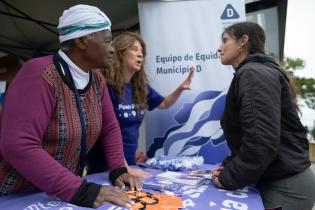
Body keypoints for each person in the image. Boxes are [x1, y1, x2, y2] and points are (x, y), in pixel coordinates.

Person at [0, 5, 141, 209]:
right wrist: (78, 190)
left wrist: (118, 170)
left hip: (57, 194)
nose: (112, 49)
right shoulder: (39, 74)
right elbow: (18, 145)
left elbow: (109, 128)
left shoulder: (97, 81)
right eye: (108, 41)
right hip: (16, 194)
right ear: (82, 40)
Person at [211, 21, 315, 210]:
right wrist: (230, 165)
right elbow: (251, 137)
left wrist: (229, 177)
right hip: (280, 182)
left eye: (225, 40)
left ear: (243, 41)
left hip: (285, 189)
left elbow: (261, 142)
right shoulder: (255, 72)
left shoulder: (253, 74)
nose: (219, 47)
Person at [87, 32, 195, 177]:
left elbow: (163, 103)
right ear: (121, 52)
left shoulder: (139, 87)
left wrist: (180, 89)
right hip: (106, 168)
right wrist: (123, 167)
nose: (140, 55)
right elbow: (105, 131)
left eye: (142, 52)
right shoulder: (105, 85)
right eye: (134, 49)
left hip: (129, 164)